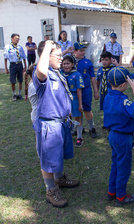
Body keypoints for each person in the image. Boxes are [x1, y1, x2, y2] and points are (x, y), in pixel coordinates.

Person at [33, 40, 80, 208]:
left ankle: (59, 179)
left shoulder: (56, 72)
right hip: (49, 125)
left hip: (61, 123)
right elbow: (40, 69)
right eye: (58, 56)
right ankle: (51, 189)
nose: (62, 59)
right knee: (48, 159)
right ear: (46, 56)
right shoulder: (42, 73)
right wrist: (46, 47)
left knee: (59, 155)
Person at [104, 66, 134, 205]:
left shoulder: (108, 96)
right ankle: (121, 196)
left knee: (115, 163)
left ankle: (112, 192)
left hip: (113, 135)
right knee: (124, 167)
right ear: (123, 85)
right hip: (123, 137)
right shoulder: (123, 101)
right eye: (128, 82)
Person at [73, 42, 99, 138]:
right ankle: (78, 128)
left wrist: (96, 91)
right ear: (75, 51)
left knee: (87, 110)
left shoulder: (87, 63)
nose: (83, 52)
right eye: (80, 51)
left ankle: (92, 128)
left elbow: (93, 77)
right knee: (76, 110)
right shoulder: (70, 62)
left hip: (86, 90)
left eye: (84, 50)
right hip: (74, 91)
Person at [61, 55, 85, 147]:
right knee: (66, 118)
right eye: (64, 64)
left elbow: (79, 90)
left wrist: (80, 104)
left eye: (68, 63)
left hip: (74, 99)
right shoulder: (61, 73)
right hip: (63, 99)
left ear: (73, 64)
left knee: (77, 118)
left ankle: (79, 137)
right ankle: (68, 135)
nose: (66, 66)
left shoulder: (77, 74)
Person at [4, 33, 27, 101]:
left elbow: (24, 57)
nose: (17, 40)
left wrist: (25, 66)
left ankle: (19, 94)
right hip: (13, 65)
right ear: (12, 38)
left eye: (18, 39)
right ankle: (14, 94)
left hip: (20, 65)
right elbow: (5, 58)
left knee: (20, 80)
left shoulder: (20, 47)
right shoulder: (8, 47)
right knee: (13, 81)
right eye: (16, 39)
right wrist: (6, 68)